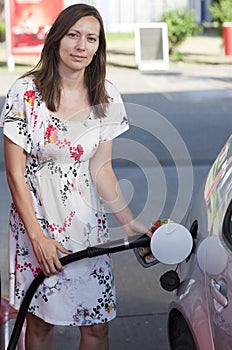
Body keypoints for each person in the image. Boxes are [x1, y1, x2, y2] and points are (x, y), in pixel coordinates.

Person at [0, 4, 150, 350]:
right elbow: (14, 172)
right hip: (34, 227)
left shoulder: (107, 95)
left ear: (99, 46)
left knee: (97, 328)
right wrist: (37, 237)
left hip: (87, 231)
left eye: (91, 38)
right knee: (38, 325)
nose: (81, 45)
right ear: (56, 39)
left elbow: (102, 169)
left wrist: (129, 223)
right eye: (73, 35)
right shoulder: (25, 93)